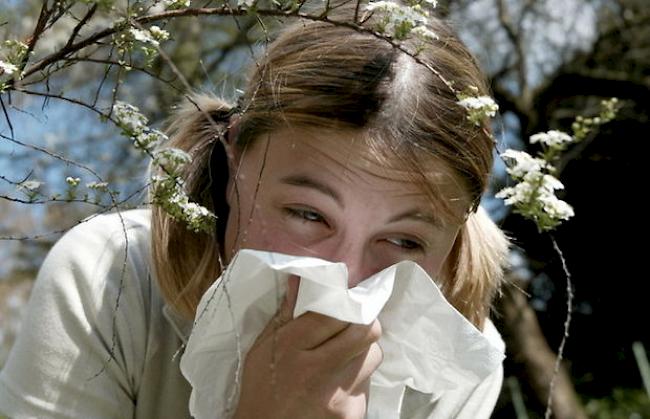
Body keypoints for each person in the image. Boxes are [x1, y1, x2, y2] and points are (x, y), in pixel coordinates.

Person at [0, 2, 510, 418]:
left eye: (403, 242)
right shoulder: (107, 279)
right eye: (308, 215)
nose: (346, 280)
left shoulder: (456, 363)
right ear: (236, 155)